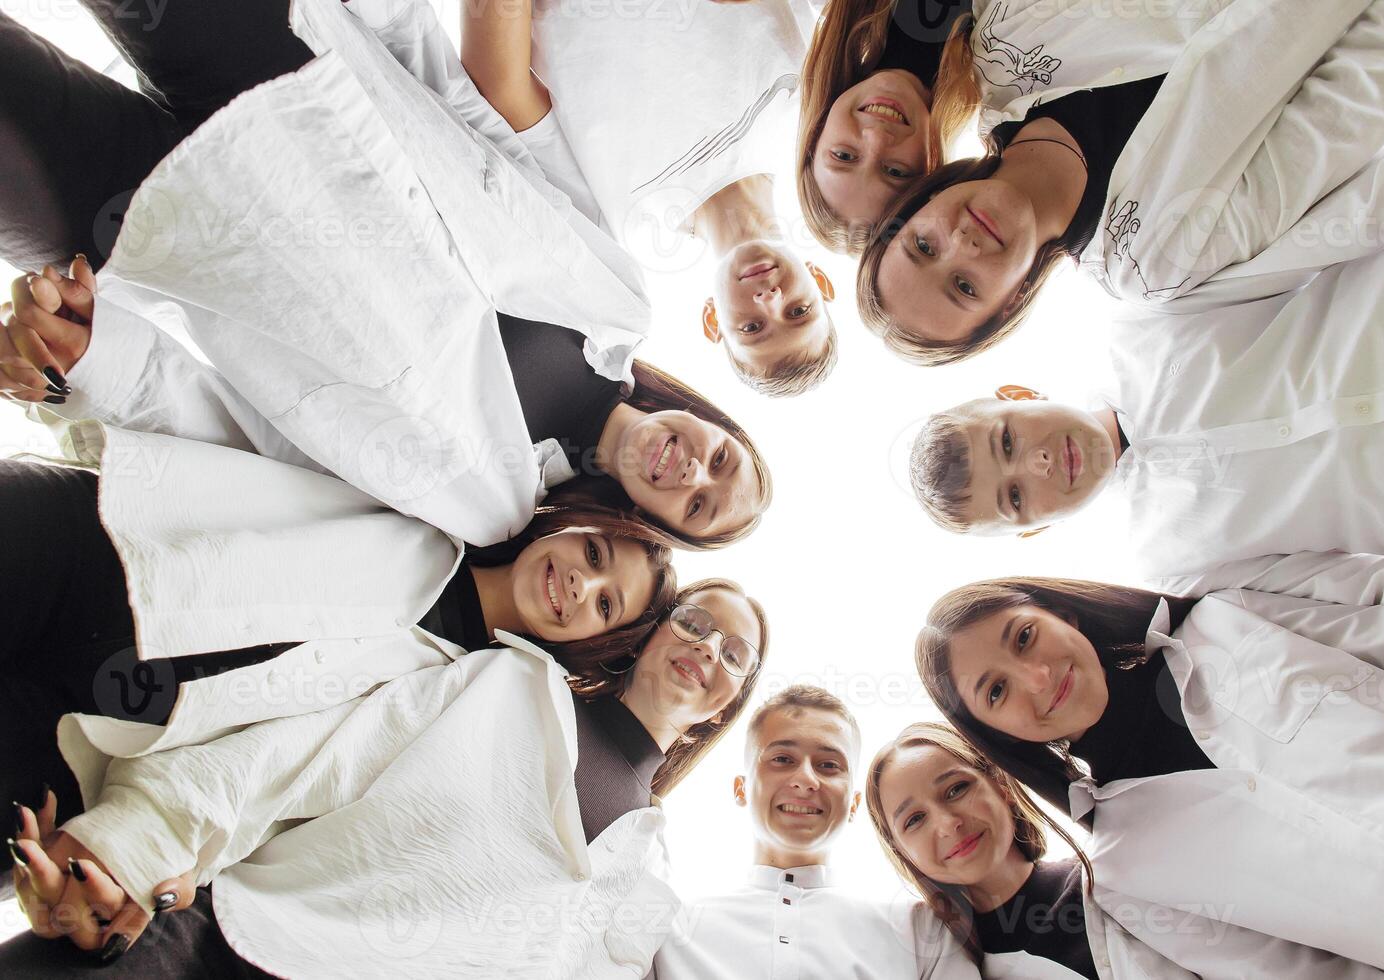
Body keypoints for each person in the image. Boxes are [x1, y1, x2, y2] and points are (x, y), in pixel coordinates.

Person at [0, 0, 773, 546]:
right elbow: (484, 122)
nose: (692, 470)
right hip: (292, 62)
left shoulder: (485, 510)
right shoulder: (615, 304)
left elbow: (273, 451)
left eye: (699, 506)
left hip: (169, 229)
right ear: (715, 424)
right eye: (722, 458)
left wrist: (103, 360)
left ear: (656, 526)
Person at [5, 580, 769, 974]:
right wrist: (132, 848)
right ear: (651, 634)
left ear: (724, 707)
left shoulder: (648, 884)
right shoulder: (504, 684)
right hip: (220, 947)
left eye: (736, 654)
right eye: (696, 622)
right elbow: (304, 758)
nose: (708, 647)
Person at [0, 418, 678, 851]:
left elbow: (279, 774)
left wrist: (137, 849)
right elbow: (261, 423)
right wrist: (98, 360)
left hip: (97, 733)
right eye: (594, 556)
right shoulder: (437, 496)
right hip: (99, 546)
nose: (580, 586)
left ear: (589, 642)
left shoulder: (454, 702)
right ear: (575, 523)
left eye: (605, 605)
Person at [854, 0, 1384, 365]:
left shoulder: (1003, 41)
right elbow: (1348, 111)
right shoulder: (1157, 258)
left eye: (924, 246)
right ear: (1008, 302)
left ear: (919, 205)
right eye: (964, 286)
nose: (962, 244)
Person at [912, 575, 1384, 978]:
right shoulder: (1127, 872)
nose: (1036, 678)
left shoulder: (1227, 622)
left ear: (1064, 615)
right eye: (996, 691)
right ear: (999, 736)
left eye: (1025, 637)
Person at [906, 206, 1384, 579]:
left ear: (1018, 392)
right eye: (1016, 497)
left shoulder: (1140, 315)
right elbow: (1340, 581)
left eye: (1006, 442)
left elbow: (1310, 240)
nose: (1039, 461)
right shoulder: (1170, 563)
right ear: (1034, 530)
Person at [456, 0, 840, 396]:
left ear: (712, 320)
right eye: (798, 311)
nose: (769, 299)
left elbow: (502, 88)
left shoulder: (619, 227)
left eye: (752, 328)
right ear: (821, 282)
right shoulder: (817, 120)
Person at [653, 685, 979, 979]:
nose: (806, 779)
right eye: (782, 759)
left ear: (853, 803)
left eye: (828, 765)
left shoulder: (921, 931)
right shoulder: (666, 930)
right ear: (741, 789)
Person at [796, 0, 980, 253]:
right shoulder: (1001, 73)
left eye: (844, 155)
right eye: (895, 171)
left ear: (816, 134)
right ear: (930, 171)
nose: (876, 136)